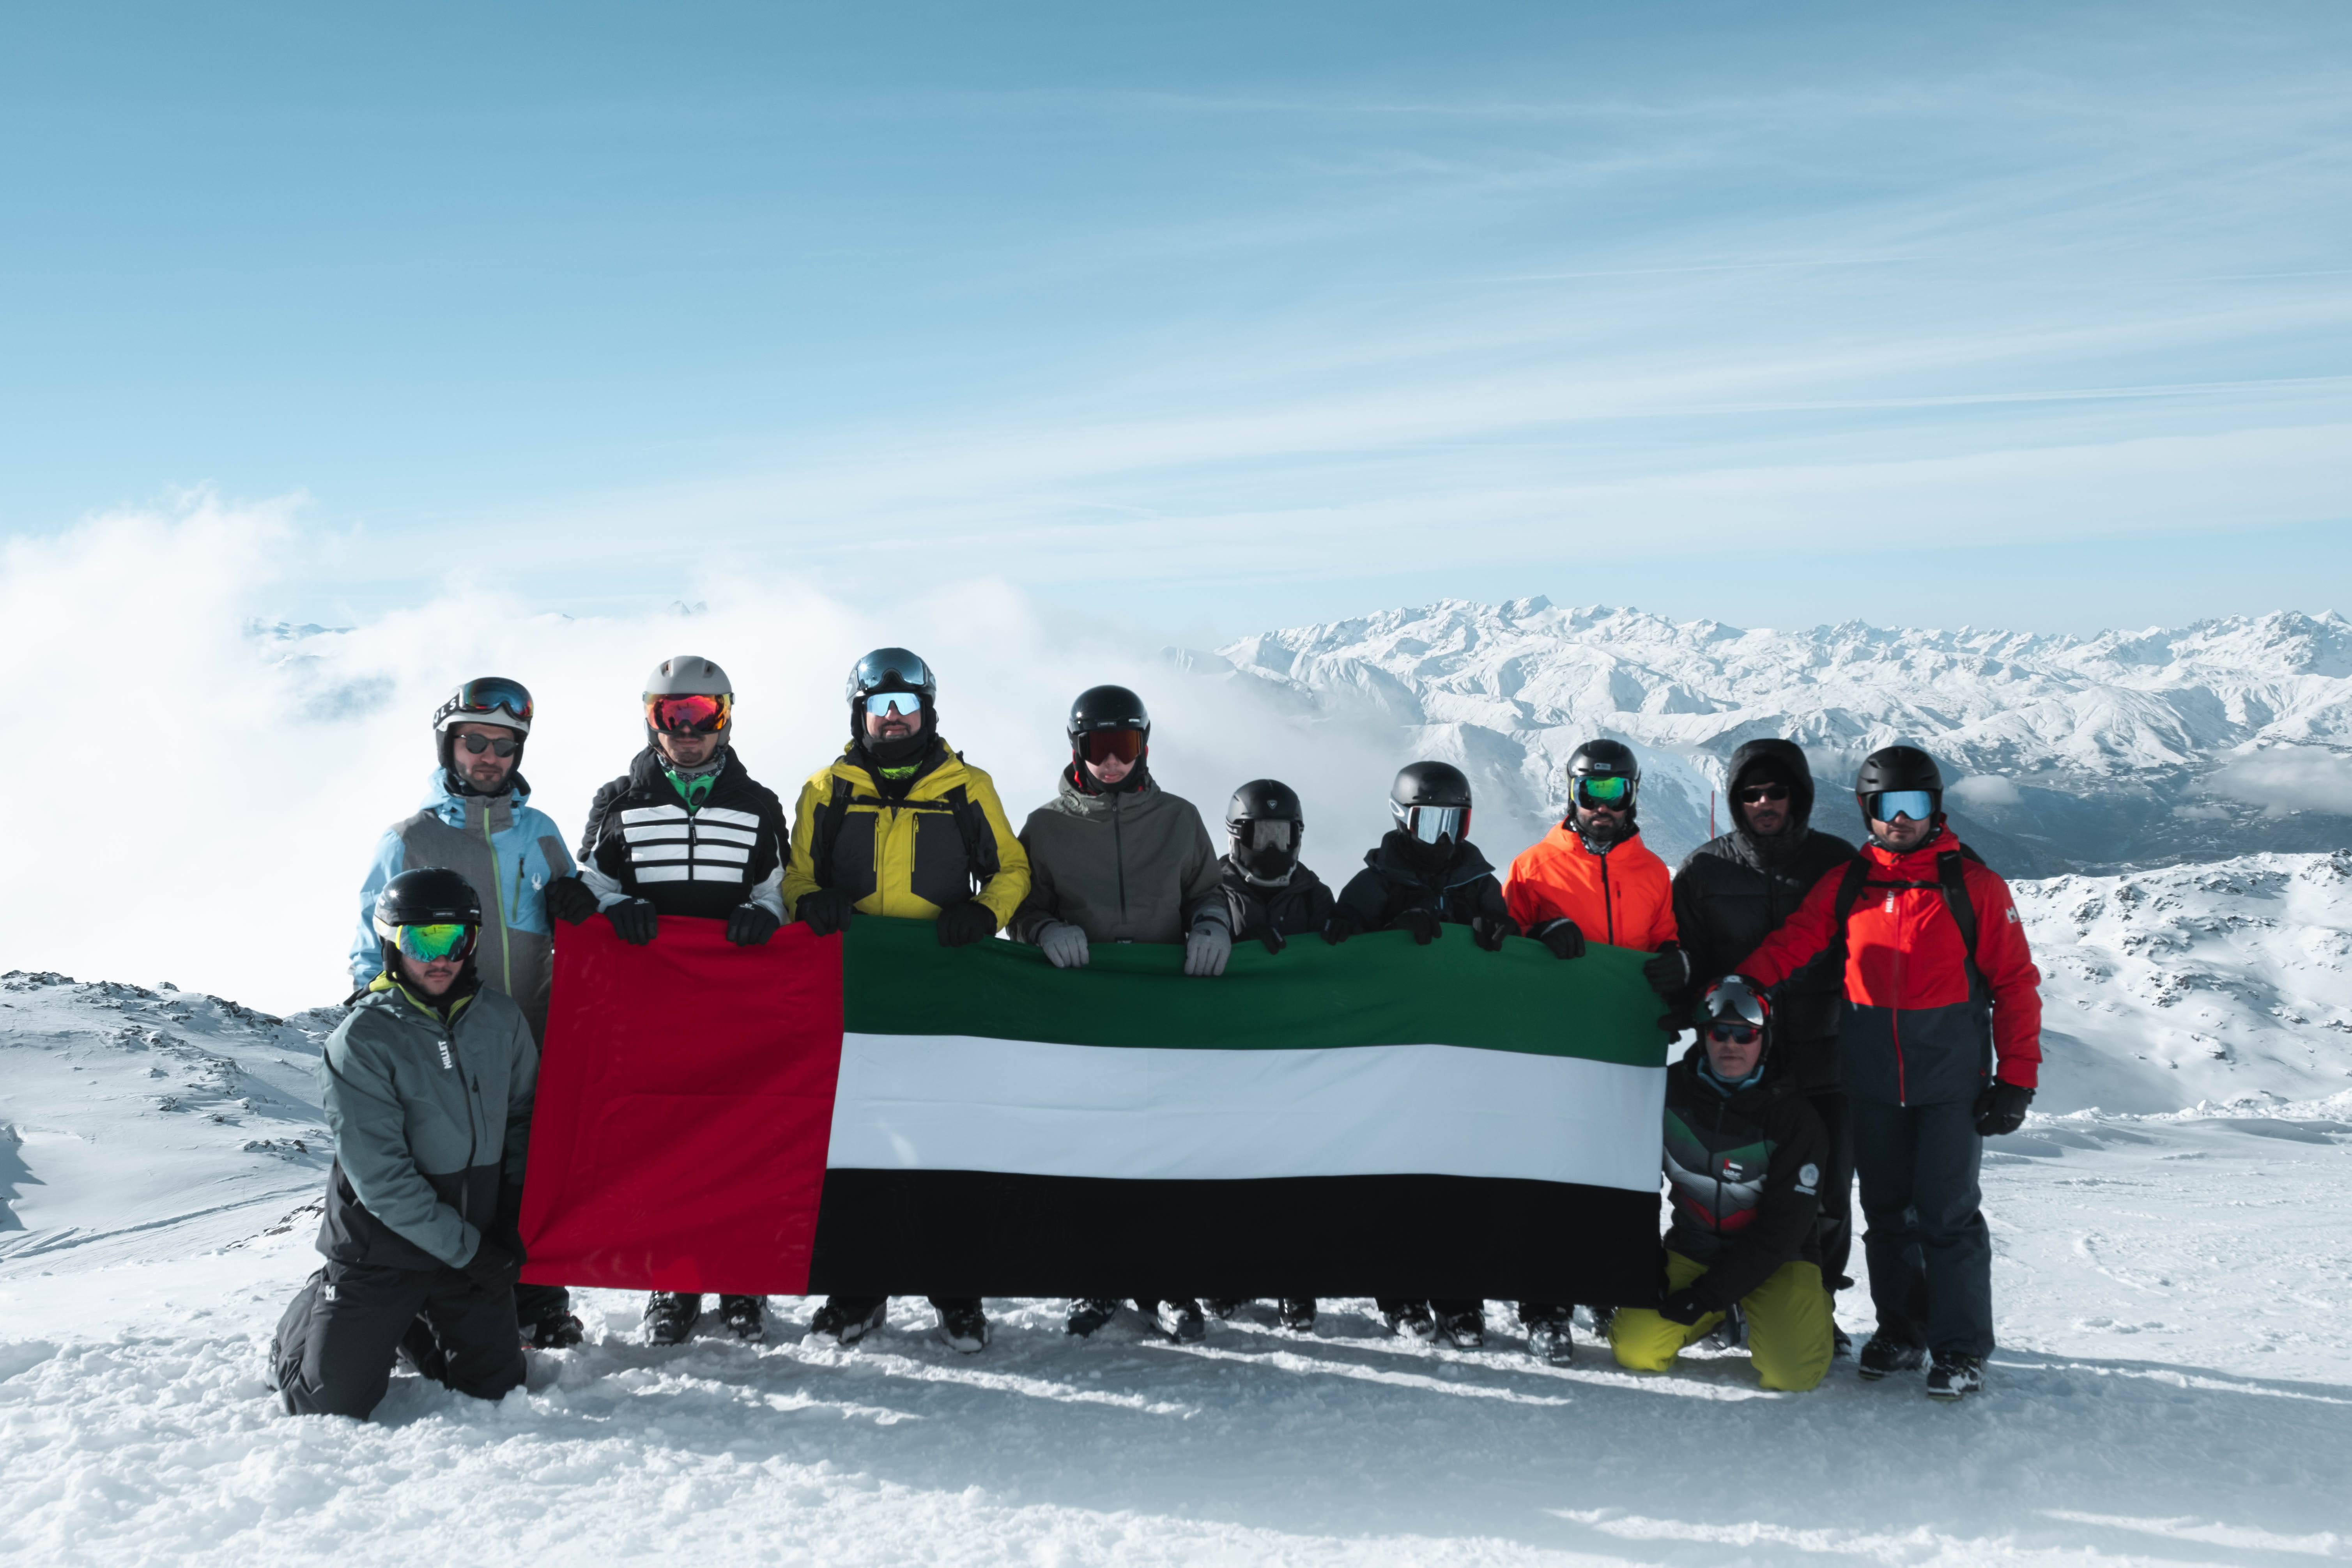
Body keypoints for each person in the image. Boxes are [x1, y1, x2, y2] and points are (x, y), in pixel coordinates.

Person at [1724, 745, 2042, 1399]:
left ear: (1935, 808)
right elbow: (1797, 939)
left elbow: (2014, 982)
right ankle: (1901, 1329)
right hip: (1869, 1078)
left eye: (1914, 804)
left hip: (1948, 1081)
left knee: (1947, 1215)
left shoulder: (1972, 886)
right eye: (1886, 805)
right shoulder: (1849, 882)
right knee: (1886, 1211)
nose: (1900, 818)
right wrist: (1742, 982)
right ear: (1866, 810)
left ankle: (1959, 1347)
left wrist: (2015, 1078)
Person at [780, 647, 1032, 1354]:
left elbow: (1012, 868)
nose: (893, 720)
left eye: (907, 707)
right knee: (859, 1145)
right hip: (856, 999)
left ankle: (956, 1292)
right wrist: (811, 903)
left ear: (929, 712)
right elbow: (795, 877)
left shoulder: (965, 787)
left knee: (944, 1141)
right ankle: (858, 1290)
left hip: (941, 995)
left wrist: (985, 913)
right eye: (878, 708)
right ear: (858, 715)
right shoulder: (826, 789)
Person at [348, 677, 584, 1351]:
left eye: (504, 746)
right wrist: (373, 1014)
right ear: (449, 745)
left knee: (526, 1174)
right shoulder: (408, 838)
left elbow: (577, 919)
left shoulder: (539, 833)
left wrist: (582, 904)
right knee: (446, 1171)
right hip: (438, 1037)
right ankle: (429, 1306)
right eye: (475, 741)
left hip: (526, 1034)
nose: (489, 756)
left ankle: (539, 1302)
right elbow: (371, 939)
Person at [568, 655, 792, 1346]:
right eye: (672, 716)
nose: (687, 732)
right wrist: (620, 909)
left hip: (734, 1006)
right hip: (653, 1007)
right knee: (668, 1141)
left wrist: (764, 916)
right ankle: (675, 1277)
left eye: (703, 715)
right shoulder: (620, 801)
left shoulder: (757, 803)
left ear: (725, 719)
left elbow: (780, 889)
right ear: (651, 720)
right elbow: (589, 888)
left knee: (738, 1136)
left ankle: (742, 1276)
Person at [269, 869, 538, 1418]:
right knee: (329, 1402)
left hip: (469, 1244)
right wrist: (472, 1251)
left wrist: (511, 1216)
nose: (440, 958)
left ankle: (407, 1327)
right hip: (381, 1249)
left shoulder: (501, 1019)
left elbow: (522, 1120)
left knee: (495, 1389)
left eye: (455, 939)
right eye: (422, 941)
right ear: (392, 943)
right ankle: (309, 1314)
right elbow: (384, 1181)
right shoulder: (361, 1040)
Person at [1009, 683, 1232, 1343]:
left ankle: (1168, 1280)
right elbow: (1021, 907)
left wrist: (1213, 924)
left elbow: (1209, 891)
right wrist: (1043, 928)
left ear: (1144, 746)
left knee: (1167, 1147)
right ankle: (1097, 1276)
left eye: (1125, 746)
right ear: (1076, 747)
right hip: (1086, 1018)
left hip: (1166, 1016)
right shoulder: (1046, 826)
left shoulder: (1178, 819)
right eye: (1098, 747)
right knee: (1093, 1148)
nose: (1112, 761)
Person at [1667, 739, 1859, 1352]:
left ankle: (1815, 1303)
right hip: (1734, 1059)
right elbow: (1687, 957)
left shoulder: (1836, 862)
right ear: (1735, 801)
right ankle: (1722, 1299)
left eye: (1776, 791)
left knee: (1826, 1193)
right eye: (1751, 794)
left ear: (1798, 796)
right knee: (1724, 1185)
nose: (1764, 803)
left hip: (1825, 1053)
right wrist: (1678, 1000)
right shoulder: (1704, 869)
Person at [1497, 739, 1681, 1363]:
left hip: (1624, 1048)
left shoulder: (1652, 872)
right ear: (1571, 793)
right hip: (1552, 1048)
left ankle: (1606, 1285)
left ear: (1632, 795)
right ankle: (1544, 1304)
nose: (1602, 806)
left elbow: (1664, 940)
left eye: (1614, 791)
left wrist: (1676, 962)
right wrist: (1537, 932)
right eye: (1590, 791)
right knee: (1550, 1171)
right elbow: (1500, 946)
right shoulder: (1532, 867)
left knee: (1620, 1172)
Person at [1324, 761, 1518, 1352]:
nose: (1442, 838)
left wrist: (1501, 934)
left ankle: (1460, 1296)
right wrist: (1385, 933)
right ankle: (1401, 1292)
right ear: (1401, 821)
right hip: (1395, 1062)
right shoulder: (1376, 881)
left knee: (1459, 1179)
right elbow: (1339, 948)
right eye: (1429, 823)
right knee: (1398, 1179)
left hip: (1460, 1058)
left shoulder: (1477, 881)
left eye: (1453, 823)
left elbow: (1508, 955)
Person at [1606, 979, 1834, 1392]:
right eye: (1719, 1032)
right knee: (1635, 1351)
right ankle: (1722, 1313)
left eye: (1745, 1034)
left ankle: (1799, 1307)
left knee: (1792, 1375)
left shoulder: (1795, 1117)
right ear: (1702, 1035)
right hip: (1694, 1249)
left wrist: (1707, 1296)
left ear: (1764, 1039)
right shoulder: (1666, 1091)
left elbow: (1784, 1228)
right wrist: (1643, 1265)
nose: (1731, 1044)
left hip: (1777, 1260)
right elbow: (1631, 1189)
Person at [1201, 778, 1334, 1335]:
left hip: (1296, 1059)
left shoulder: (1315, 895)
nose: (1273, 847)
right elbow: (1188, 942)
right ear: (1238, 836)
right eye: (1263, 834)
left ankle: (1293, 1279)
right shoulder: (1211, 890)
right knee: (1231, 1169)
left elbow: (1341, 972)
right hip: (1230, 1057)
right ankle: (1231, 1273)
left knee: (1294, 1172)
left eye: (1282, 834)